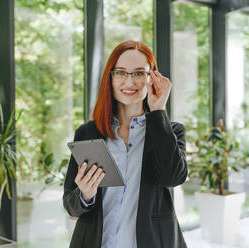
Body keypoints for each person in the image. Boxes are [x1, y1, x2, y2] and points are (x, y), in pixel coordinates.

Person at [63, 40, 188, 248]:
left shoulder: (170, 131)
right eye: (121, 72)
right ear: (110, 78)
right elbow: (70, 204)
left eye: (139, 73)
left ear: (152, 78)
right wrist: (85, 195)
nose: (129, 82)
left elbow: (172, 177)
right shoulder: (88, 133)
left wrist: (159, 111)